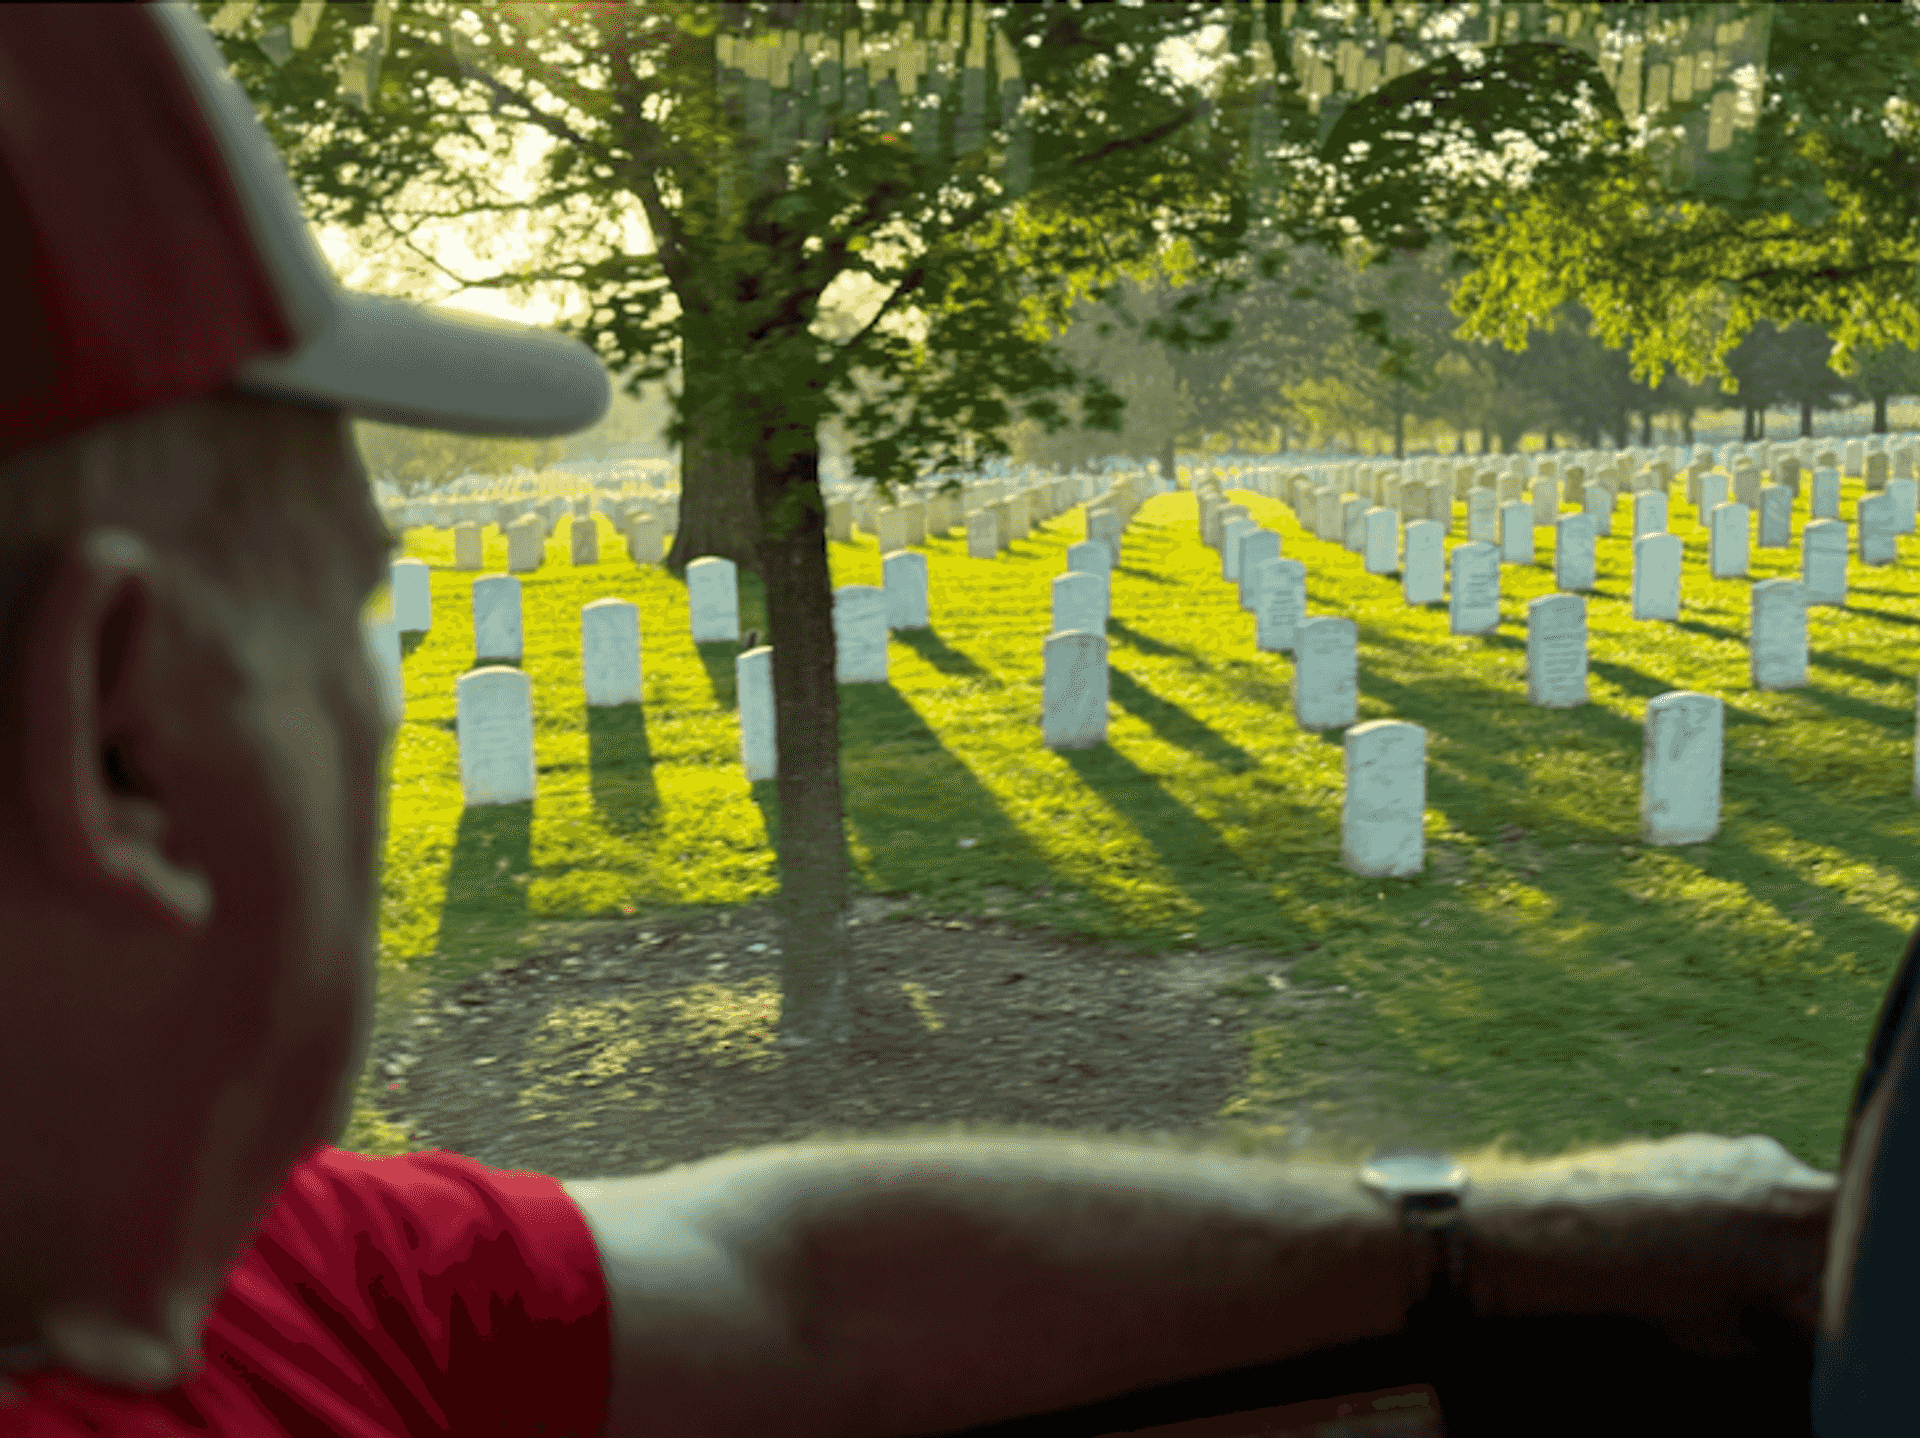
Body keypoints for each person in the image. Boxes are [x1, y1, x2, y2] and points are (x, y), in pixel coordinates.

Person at [0, 5, 1889, 1437]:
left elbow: (787, 1284)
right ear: (122, 739)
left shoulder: (247, 1279)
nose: (377, 679)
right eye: (354, 598)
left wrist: (1484, 1243)